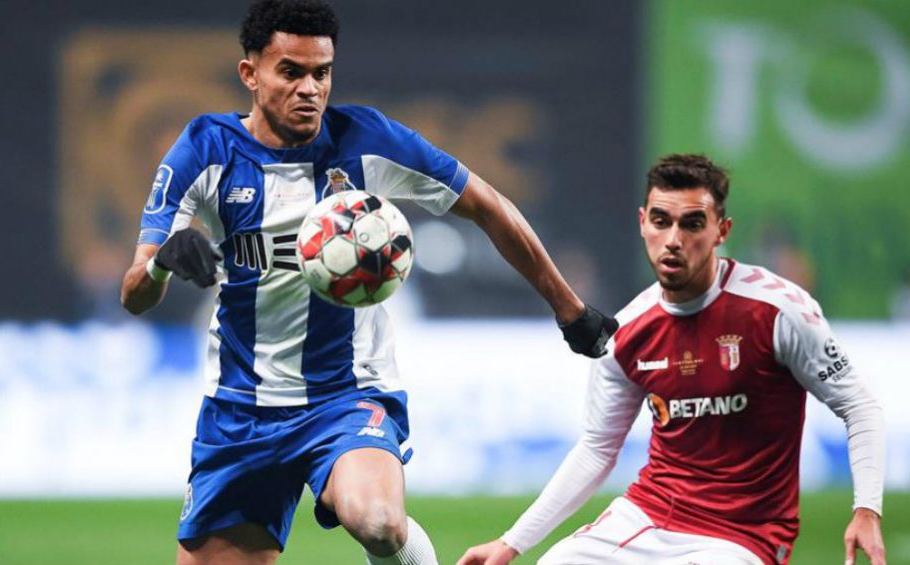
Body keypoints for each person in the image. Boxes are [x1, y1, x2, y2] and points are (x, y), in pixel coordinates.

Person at [119, 1, 618, 564]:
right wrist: (163, 261)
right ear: (250, 74)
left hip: (345, 395)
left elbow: (488, 205)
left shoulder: (366, 138)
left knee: (378, 522)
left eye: (321, 73)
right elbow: (135, 292)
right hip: (241, 410)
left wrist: (570, 310)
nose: (310, 88)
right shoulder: (205, 149)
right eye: (291, 72)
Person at [458, 154, 886, 565]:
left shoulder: (777, 310)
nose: (674, 240)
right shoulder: (628, 331)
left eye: (693, 223)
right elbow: (597, 448)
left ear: (722, 230)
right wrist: (511, 543)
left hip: (742, 536)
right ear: (643, 223)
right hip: (649, 516)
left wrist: (867, 509)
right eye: (661, 222)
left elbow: (858, 405)